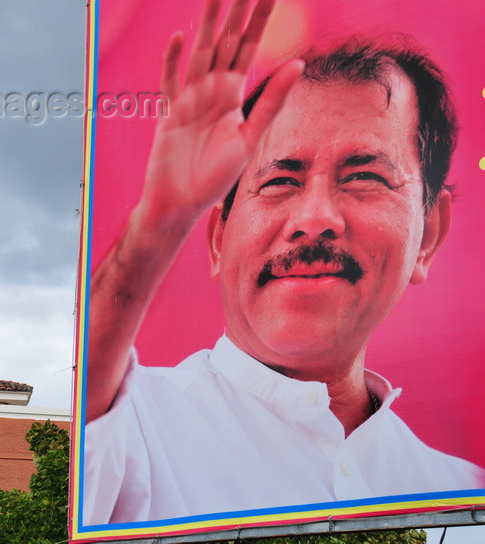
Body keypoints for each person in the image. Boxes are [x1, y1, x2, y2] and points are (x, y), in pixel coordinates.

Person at [83, 0, 485, 525]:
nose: (315, 219)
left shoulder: (457, 492)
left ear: (428, 233)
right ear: (218, 240)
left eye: (363, 177)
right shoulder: (133, 425)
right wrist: (160, 221)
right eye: (279, 182)